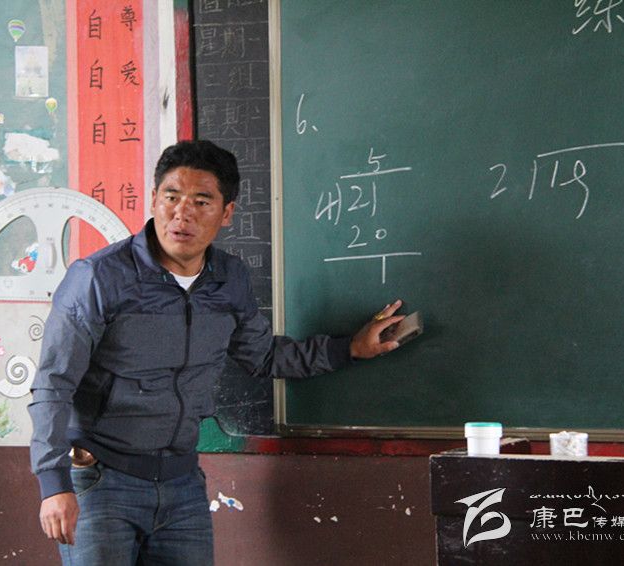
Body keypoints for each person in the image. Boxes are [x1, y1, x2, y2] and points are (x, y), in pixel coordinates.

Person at [28, 140, 406, 565]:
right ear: (153, 199)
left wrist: (349, 349)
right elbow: (53, 383)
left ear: (226, 213)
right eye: (171, 197)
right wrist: (53, 483)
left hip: (181, 486)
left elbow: (263, 356)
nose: (182, 213)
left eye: (201, 201)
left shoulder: (229, 279)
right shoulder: (98, 278)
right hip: (102, 483)